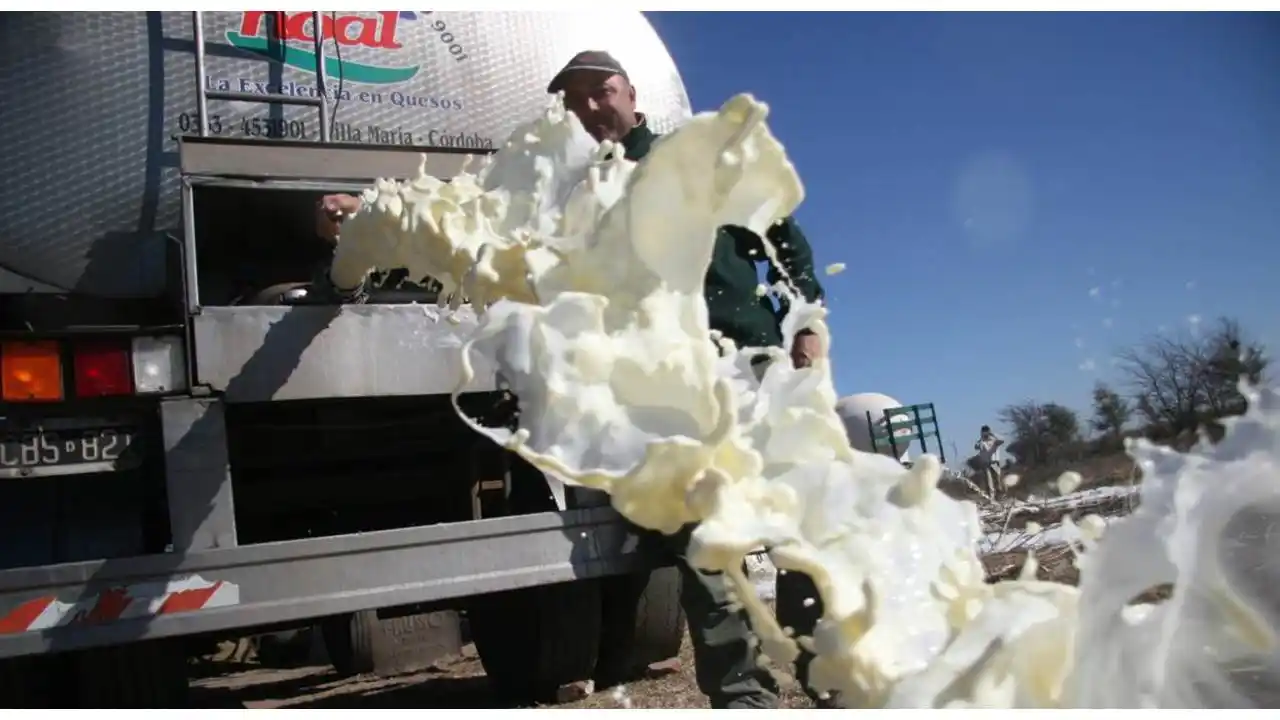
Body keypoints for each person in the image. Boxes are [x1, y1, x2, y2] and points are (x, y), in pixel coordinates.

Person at [315, 50, 832, 709]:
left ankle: (830, 679)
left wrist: (806, 319)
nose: (590, 106)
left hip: (751, 367)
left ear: (630, 92)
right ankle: (745, 696)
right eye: (575, 98)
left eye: (601, 90)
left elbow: (782, 237)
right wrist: (361, 220)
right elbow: (460, 244)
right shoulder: (557, 200)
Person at [975, 425, 1005, 497]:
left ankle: (1000, 495)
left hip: (995, 463)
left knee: (998, 481)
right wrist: (980, 440)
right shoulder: (981, 441)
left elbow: (1002, 440)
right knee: (989, 482)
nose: (984, 434)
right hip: (986, 464)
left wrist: (993, 434)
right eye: (982, 432)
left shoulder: (994, 439)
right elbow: (976, 446)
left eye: (985, 432)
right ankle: (991, 498)